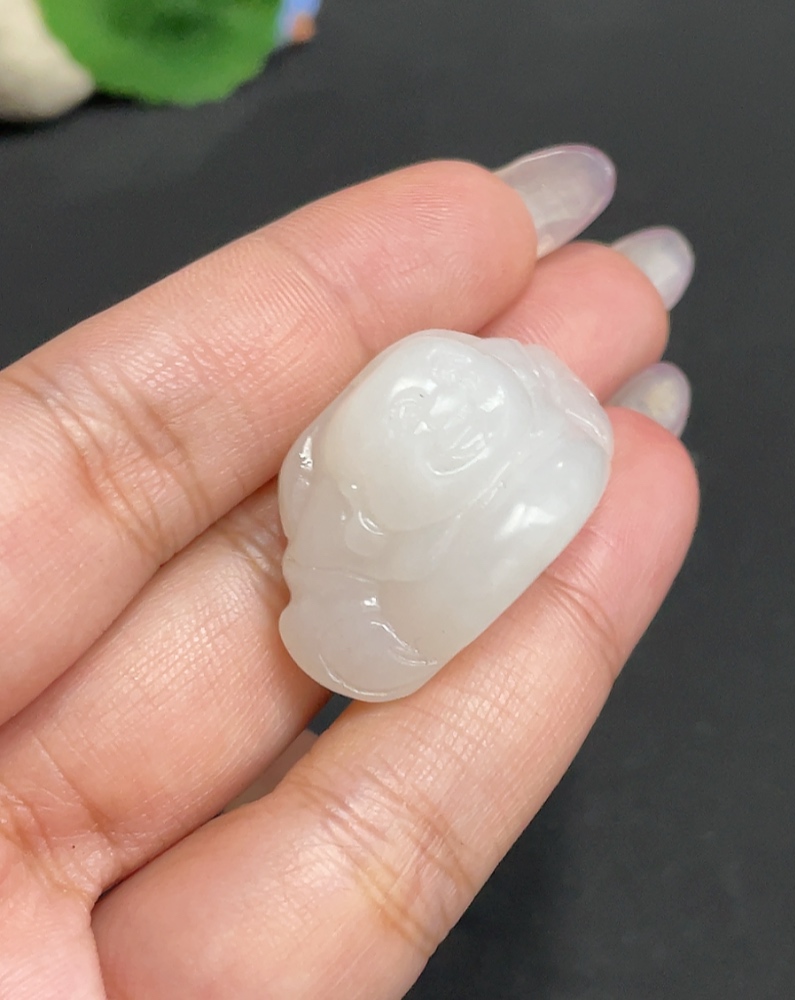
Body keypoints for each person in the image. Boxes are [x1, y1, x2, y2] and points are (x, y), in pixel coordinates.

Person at [0, 144, 699, 998]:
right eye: (430, 414)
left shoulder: (420, 565)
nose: (438, 424)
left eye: (455, 431)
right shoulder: (339, 505)